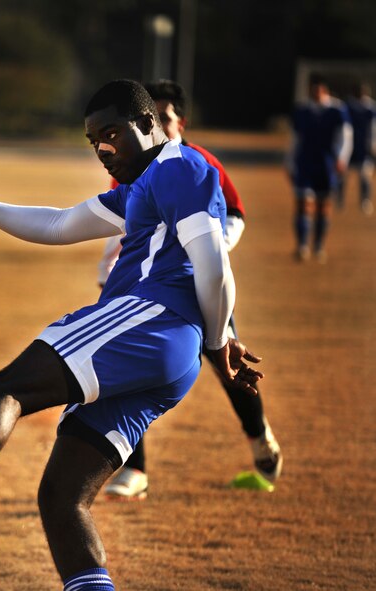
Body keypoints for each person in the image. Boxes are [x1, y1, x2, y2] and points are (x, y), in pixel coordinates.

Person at [0, 79, 264, 589]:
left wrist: (218, 341)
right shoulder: (143, 184)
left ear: (149, 124)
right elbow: (58, 225)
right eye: (93, 141)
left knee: (6, 387)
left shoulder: (180, 167)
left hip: (149, 320)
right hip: (167, 354)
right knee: (62, 498)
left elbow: (213, 265)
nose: (103, 150)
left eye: (112, 134)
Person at [99, 80, 282, 501]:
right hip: (145, 289)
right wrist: (109, 267)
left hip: (198, 286)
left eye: (164, 118)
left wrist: (207, 250)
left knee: (227, 363)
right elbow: (119, 222)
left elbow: (234, 213)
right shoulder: (132, 165)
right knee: (124, 370)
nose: (156, 126)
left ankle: (260, 440)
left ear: (180, 121)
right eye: (149, 119)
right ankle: (137, 469)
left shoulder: (200, 163)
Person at [288, 74, 352, 263]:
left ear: (325, 90)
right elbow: (294, 139)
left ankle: (319, 245)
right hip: (305, 163)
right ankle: (302, 246)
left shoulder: (337, 110)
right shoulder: (302, 111)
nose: (315, 93)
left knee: (323, 205)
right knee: (303, 203)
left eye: (319, 90)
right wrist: (289, 162)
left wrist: (341, 159)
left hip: (327, 164)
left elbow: (345, 137)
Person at [338, 82, 376, 216]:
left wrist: (373, 145)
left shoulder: (370, 108)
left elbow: (374, 128)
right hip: (349, 147)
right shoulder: (347, 107)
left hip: (364, 149)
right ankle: (339, 199)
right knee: (342, 176)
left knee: (365, 176)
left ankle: (364, 201)